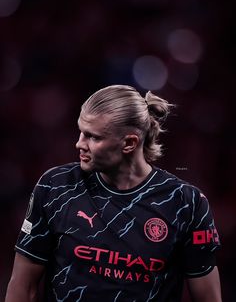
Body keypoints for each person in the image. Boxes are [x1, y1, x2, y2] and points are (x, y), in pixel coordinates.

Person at [5, 84, 222, 302]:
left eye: (93, 137)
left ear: (129, 143)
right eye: (81, 132)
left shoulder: (186, 204)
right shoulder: (55, 187)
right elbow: (23, 287)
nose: (79, 143)